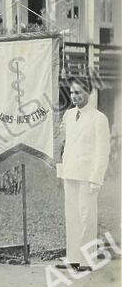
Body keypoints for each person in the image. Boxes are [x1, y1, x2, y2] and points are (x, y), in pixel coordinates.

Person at [57, 80, 110, 272]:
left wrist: (96, 178)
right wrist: (61, 169)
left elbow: (102, 150)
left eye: (78, 93)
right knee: (71, 215)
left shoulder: (98, 118)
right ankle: (73, 258)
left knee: (86, 216)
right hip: (70, 172)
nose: (74, 97)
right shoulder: (69, 115)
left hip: (87, 175)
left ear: (88, 92)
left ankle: (86, 260)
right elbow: (65, 144)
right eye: (71, 93)